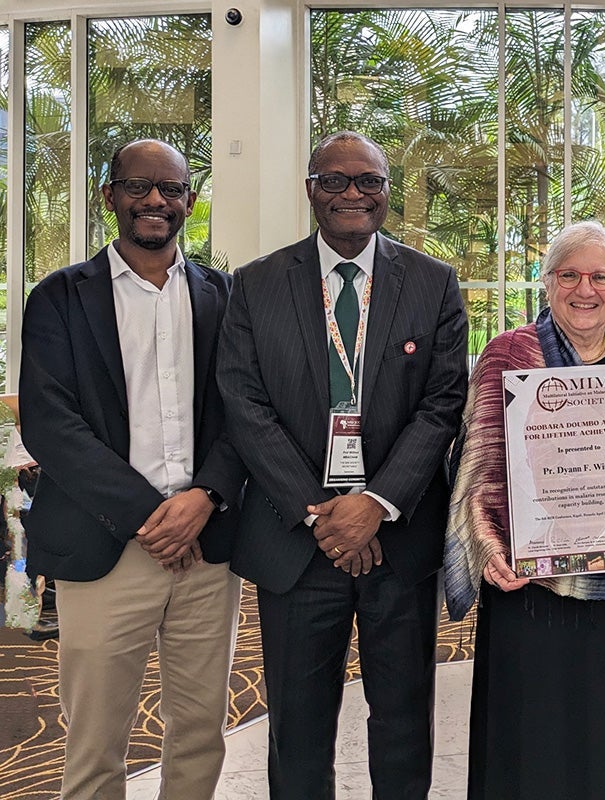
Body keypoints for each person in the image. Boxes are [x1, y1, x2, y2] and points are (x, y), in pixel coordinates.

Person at [216, 131, 468, 798]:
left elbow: (443, 403)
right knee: (296, 731)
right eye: (334, 180)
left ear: (387, 193)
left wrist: (374, 504)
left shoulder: (435, 283)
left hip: (398, 540)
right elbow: (243, 403)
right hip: (295, 543)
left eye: (368, 181)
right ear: (310, 189)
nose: (352, 193)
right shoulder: (257, 284)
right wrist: (321, 514)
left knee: (404, 722)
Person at [444, 220, 605, 799]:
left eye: (600, 276)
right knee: (539, 746)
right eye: (570, 275)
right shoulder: (509, 354)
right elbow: (480, 465)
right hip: (535, 586)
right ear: (546, 282)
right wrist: (486, 545)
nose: (585, 290)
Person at [19, 139, 244, 799]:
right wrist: (153, 516)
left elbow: (245, 414)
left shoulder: (224, 296)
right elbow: (52, 425)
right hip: (105, 546)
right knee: (94, 745)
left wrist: (204, 497)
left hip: (207, 550)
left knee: (201, 731)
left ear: (189, 203)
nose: (155, 201)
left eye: (170, 190)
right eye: (139, 186)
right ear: (109, 196)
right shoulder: (59, 298)